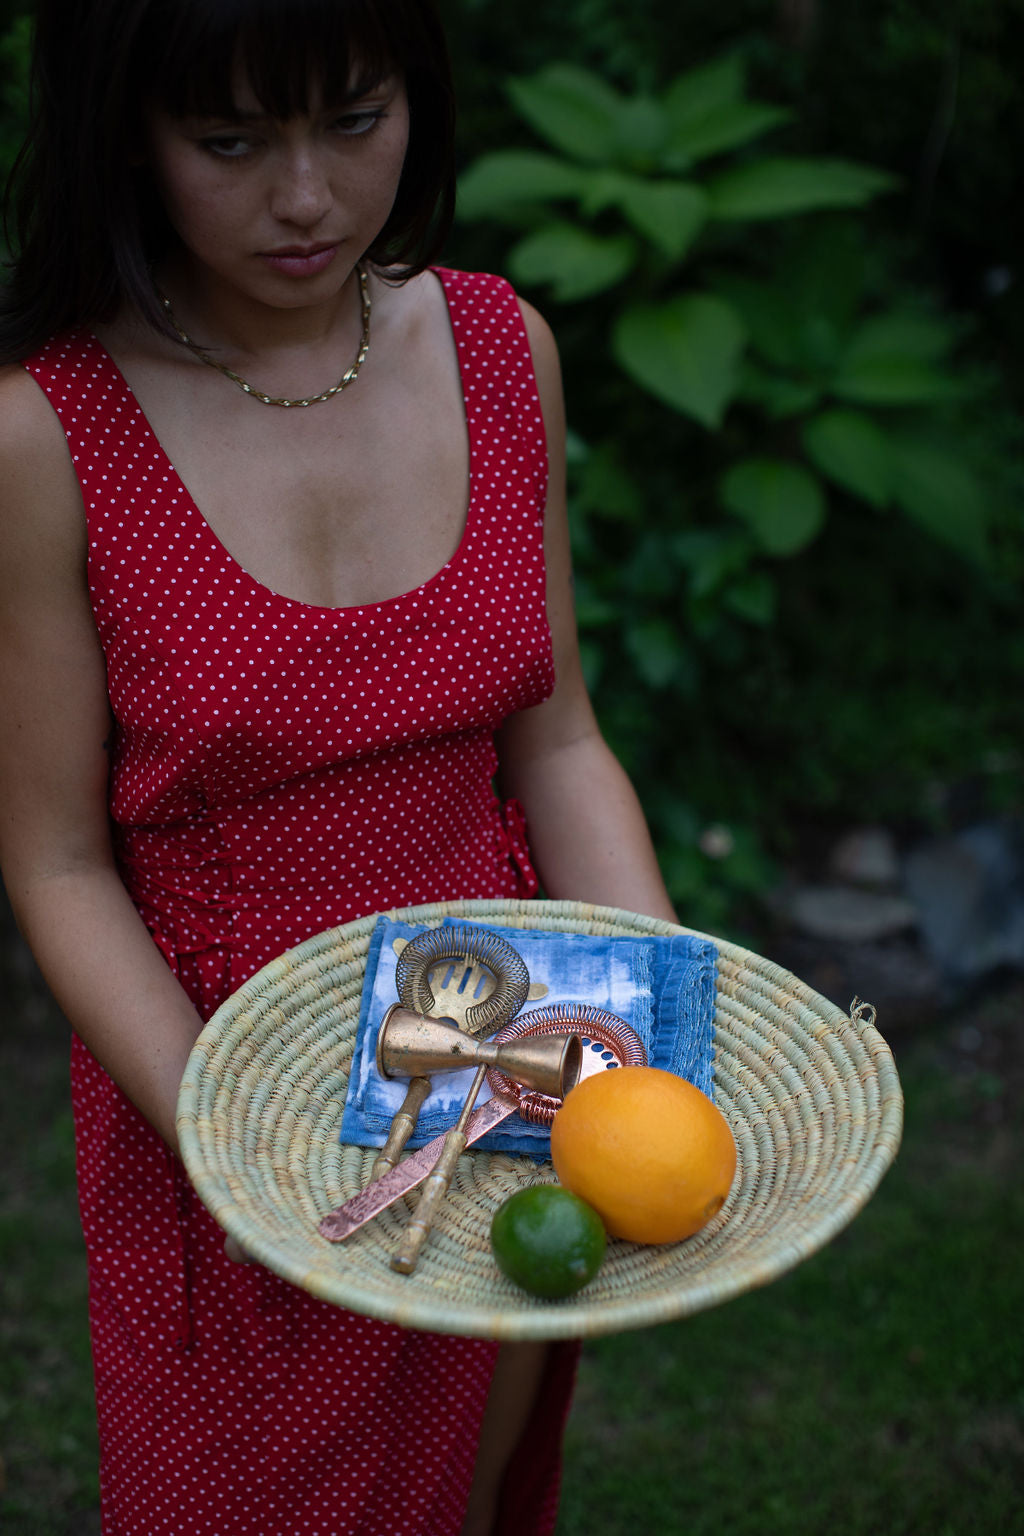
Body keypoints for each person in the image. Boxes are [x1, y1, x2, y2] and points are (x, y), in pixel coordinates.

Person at [0, 0, 678, 1531]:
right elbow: (51, 860)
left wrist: (668, 1023)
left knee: (466, 1478)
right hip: (229, 1088)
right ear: (128, 132)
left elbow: (557, 737)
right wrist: (236, 1148)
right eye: (230, 142)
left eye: (352, 121)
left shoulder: (505, 348)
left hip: (510, 1055)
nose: (305, 197)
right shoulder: (48, 434)